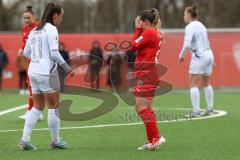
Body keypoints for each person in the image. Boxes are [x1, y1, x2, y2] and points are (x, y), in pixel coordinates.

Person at [18, 2, 71, 151]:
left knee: (37, 107)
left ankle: (24, 140)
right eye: (61, 16)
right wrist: (66, 67)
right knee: (54, 106)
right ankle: (55, 140)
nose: (61, 19)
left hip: (33, 71)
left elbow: (26, 53)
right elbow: (54, 53)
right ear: (55, 16)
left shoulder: (35, 29)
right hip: (46, 73)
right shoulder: (52, 29)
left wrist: (38, 57)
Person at [130, 8, 166, 151]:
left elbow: (133, 45)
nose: (139, 24)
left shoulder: (149, 32)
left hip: (145, 74)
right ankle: (153, 140)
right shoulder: (156, 33)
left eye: (140, 22)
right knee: (148, 108)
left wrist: (137, 29)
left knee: (141, 108)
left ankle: (156, 138)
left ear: (145, 22)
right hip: (149, 73)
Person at [179, 5, 214, 117]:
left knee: (193, 83)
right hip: (209, 54)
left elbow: (187, 44)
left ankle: (196, 111)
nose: (183, 16)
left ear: (189, 15)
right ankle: (210, 108)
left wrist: (181, 55)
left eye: (184, 14)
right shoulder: (202, 25)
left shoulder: (190, 27)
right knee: (206, 82)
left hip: (199, 56)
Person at [18, 6, 44, 120]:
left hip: (39, 60)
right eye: (24, 18)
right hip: (30, 60)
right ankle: (34, 111)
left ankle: (34, 110)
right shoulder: (24, 29)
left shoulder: (39, 27)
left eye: (28, 17)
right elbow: (25, 44)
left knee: (35, 85)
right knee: (31, 85)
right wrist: (21, 49)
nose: (26, 20)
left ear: (34, 17)